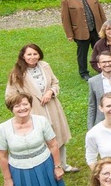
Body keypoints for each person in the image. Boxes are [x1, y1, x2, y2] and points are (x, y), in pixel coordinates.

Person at [6, 43, 77, 173]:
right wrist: (25, 103)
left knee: (58, 136)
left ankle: (62, 165)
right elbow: (10, 95)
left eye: (35, 54)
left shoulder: (45, 66)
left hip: (52, 107)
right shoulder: (16, 73)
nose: (32, 57)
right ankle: (46, 168)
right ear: (23, 56)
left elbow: (55, 82)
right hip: (34, 110)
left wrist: (50, 92)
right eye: (29, 54)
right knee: (41, 139)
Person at [61, 0, 106, 79]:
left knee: (100, 50)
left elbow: (101, 12)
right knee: (82, 54)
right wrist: (69, 34)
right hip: (80, 32)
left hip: (96, 29)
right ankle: (84, 73)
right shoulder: (66, 0)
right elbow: (65, 19)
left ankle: (102, 68)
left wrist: (105, 27)